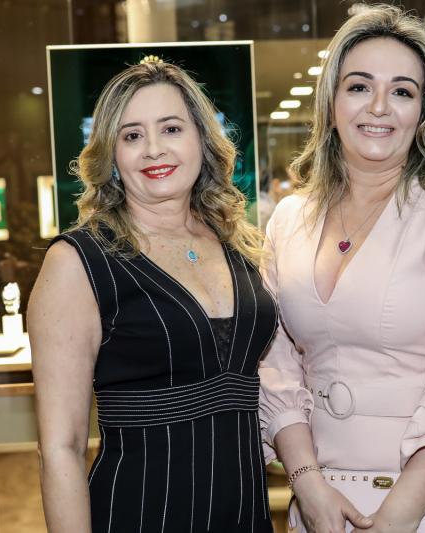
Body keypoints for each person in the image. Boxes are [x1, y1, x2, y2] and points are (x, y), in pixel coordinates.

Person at [258, 5, 425, 532]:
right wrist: (308, 485)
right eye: (359, 86)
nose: (379, 107)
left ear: (423, 111)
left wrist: (397, 516)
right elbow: (275, 368)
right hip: (320, 501)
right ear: (331, 101)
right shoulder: (289, 219)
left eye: (402, 91)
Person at [28, 61, 277, 532]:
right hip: (142, 513)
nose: (154, 149)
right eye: (132, 136)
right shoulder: (77, 263)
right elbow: (61, 447)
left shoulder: (238, 243)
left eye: (171, 128)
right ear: (112, 156)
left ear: (201, 139)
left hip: (247, 515)